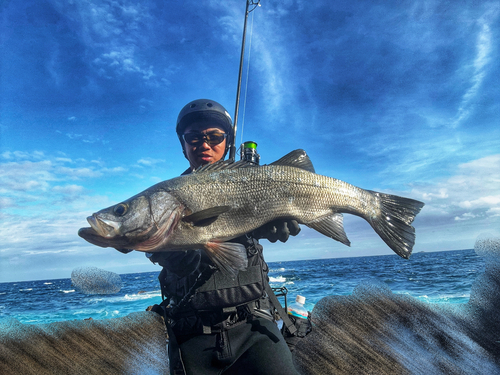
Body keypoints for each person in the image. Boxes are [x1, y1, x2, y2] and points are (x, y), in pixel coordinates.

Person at [147, 99, 302, 375]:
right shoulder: (164, 200)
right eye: (193, 137)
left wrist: (279, 221)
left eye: (215, 137)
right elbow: (151, 243)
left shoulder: (254, 184)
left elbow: (279, 212)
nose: (203, 144)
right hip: (192, 333)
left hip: (255, 325)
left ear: (228, 142)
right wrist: (173, 257)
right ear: (183, 145)